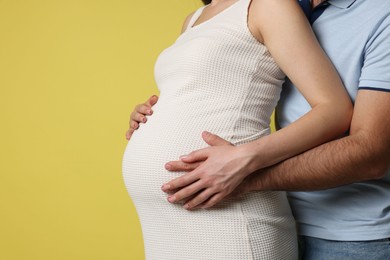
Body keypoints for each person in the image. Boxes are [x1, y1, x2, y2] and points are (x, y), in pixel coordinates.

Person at [128, 0, 390, 259]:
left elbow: (365, 144)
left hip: (352, 232)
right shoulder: (197, 17)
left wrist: (246, 165)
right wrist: (155, 114)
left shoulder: (273, 6)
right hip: (206, 212)